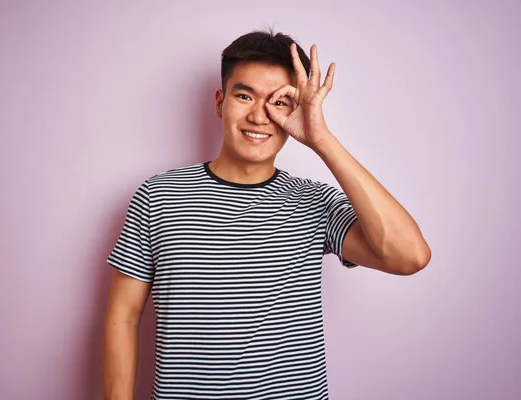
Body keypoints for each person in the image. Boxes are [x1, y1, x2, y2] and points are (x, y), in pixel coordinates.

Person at [102, 29, 431, 400]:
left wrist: (321, 139)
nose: (259, 116)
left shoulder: (315, 201)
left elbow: (410, 256)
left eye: (280, 102)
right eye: (244, 96)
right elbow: (123, 318)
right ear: (219, 101)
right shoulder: (159, 195)